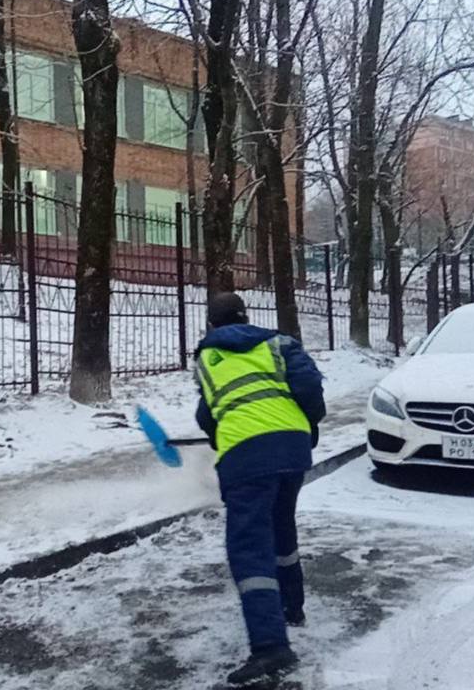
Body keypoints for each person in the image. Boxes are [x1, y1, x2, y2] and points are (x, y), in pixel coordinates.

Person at [194, 291, 325, 686]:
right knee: (282, 528)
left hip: (246, 459)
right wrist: (306, 425)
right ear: (246, 317)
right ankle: (291, 607)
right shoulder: (279, 343)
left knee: (249, 548)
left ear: (212, 325)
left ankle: (271, 648)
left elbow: (207, 415)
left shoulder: (207, 358)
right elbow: (310, 389)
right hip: (292, 448)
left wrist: (225, 434)